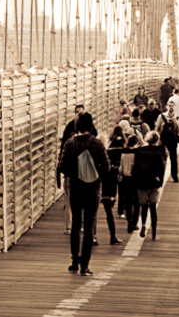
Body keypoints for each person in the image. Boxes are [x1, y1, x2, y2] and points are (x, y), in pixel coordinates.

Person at [59, 112, 110, 276]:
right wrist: (95, 174)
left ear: (76, 126)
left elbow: (63, 167)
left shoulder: (70, 144)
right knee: (89, 226)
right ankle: (85, 266)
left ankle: (74, 261)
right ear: (90, 126)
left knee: (76, 225)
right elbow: (106, 167)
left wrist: (75, 173)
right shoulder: (97, 144)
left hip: (76, 189)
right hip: (93, 189)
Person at [57, 105, 97, 234]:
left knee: (71, 202)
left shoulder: (70, 140)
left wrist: (64, 170)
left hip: (73, 176)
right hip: (88, 177)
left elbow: (63, 154)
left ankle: (72, 228)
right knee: (82, 203)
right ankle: (76, 227)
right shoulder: (95, 140)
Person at [132, 131, 166, 241]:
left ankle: (143, 225)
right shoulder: (158, 152)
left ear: (147, 140)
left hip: (142, 182)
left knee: (144, 206)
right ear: (157, 140)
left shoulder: (140, 151)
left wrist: (136, 180)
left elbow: (135, 168)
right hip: (154, 182)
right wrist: (160, 182)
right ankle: (154, 234)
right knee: (153, 208)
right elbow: (161, 169)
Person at [118, 135, 141, 233]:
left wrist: (120, 175)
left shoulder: (123, 154)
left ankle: (129, 220)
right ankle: (134, 223)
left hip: (126, 179)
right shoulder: (137, 154)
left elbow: (121, 168)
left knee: (127, 201)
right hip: (135, 179)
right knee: (137, 202)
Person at [156, 101, 179, 182]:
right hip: (163, 139)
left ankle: (174, 175)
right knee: (161, 158)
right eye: (169, 106)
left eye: (172, 106)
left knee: (173, 158)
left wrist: (176, 123)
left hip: (172, 140)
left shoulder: (177, 118)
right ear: (167, 106)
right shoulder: (161, 117)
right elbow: (156, 129)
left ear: (174, 107)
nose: (171, 107)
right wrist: (158, 139)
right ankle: (160, 175)